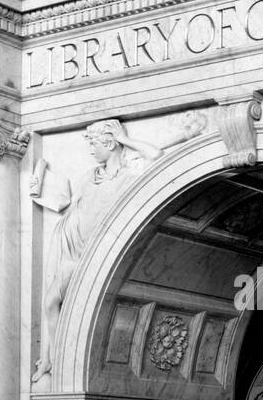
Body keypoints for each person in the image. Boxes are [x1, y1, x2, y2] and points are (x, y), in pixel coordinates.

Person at [30, 114, 201, 381]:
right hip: (73, 249)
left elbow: (155, 154)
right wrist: (40, 186)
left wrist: (124, 139)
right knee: (51, 302)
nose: (90, 149)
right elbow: (65, 201)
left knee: (71, 306)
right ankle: (52, 358)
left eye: (95, 144)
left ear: (110, 144)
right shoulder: (89, 176)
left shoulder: (129, 171)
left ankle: (59, 359)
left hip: (99, 255)